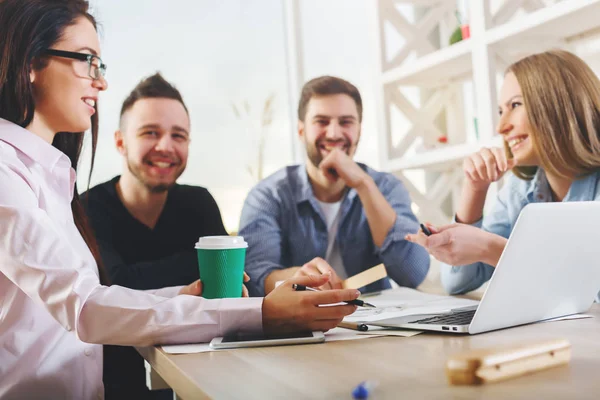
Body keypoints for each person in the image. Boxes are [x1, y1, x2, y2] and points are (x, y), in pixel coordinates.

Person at [0, 1, 360, 398]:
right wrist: (260, 313)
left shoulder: (47, 175)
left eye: (100, 66)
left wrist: (180, 295)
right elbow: (85, 304)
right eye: (87, 61)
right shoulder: (6, 174)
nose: (100, 82)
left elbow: (86, 296)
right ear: (31, 62)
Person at [83, 73, 239, 399]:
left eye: (178, 135)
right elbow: (111, 290)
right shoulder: (88, 209)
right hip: (113, 386)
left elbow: (230, 286)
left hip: (207, 373)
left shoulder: (199, 202)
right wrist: (195, 271)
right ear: (120, 142)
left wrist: (134, 281)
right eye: (150, 132)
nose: (166, 146)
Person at [405, 50, 600, 303]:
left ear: (560, 105)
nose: (502, 127)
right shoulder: (520, 189)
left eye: (515, 105)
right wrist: (474, 189)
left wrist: (492, 249)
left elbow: (588, 294)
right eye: (500, 111)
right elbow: (458, 282)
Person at [239, 76, 430, 296]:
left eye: (346, 122)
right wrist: (300, 278)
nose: (334, 134)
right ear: (301, 131)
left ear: (359, 130)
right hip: (300, 325)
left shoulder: (386, 188)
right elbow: (255, 279)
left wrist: (364, 185)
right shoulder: (268, 196)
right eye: (321, 121)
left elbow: (413, 273)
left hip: (375, 322)